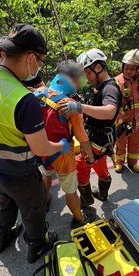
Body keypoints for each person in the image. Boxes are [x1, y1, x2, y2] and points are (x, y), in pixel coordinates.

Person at [0, 23, 71, 262]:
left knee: (5, 199)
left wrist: (28, 100)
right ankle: (37, 244)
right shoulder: (24, 101)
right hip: (18, 171)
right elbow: (41, 148)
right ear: (31, 57)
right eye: (40, 61)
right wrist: (61, 145)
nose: (39, 67)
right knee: (33, 208)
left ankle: (2, 235)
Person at [36, 60, 95, 228]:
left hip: (42, 149)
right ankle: (79, 218)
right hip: (63, 152)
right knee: (70, 189)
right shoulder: (70, 106)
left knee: (47, 174)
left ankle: (46, 199)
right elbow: (82, 136)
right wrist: (90, 156)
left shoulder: (40, 92)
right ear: (73, 80)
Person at [58, 48, 122, 206]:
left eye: (88, 72)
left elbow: (109, 111)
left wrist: (80, 107)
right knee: (99, 164)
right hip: (100, 139)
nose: (86, 77)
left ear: (98, 67)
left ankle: (86, 200)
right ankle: (103, 193)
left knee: (81, 169)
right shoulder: (101, 87)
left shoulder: (110, 88)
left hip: (97, 140)